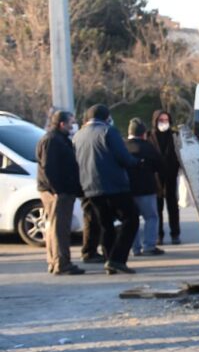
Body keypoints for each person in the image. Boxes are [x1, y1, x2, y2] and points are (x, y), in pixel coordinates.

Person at [72, 104, 143, 275]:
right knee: (131, 219)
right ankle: (117, 259)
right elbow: (123, 157)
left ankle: (109, 259)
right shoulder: (108, 132)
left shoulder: (78, 135)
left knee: (105, 225)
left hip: (89, 187)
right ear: (106, 117)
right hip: (114, 185)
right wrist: (136, 163)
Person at [35, 110, 85, 275]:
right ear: (62, 124)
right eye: (71, 122)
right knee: (59, 229)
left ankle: (56, 261)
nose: (73, 125)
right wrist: (57, 190)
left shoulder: (59, 140)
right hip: (58, 193)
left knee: (56, 228)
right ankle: (61, 263)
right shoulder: (52, 141)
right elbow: (49, 168)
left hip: (62, 191)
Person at [125, 118, 165, 257]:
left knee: (132, 219)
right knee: (151, 217)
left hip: (127, 189)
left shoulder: (123, 146)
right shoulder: (147, 147)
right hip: (146, 188)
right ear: (143, 133)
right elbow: (159, 165)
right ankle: (149, 246)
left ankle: (135, 248)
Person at [150, 109, 181, 245]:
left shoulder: (174, 135)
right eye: (161, 120)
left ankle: (175, 234)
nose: (163, 123)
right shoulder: (149, 136)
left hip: (171, 175)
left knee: (172, 205)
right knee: (157, 206)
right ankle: (159, 235)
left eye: (166, 120)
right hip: (155, 176)